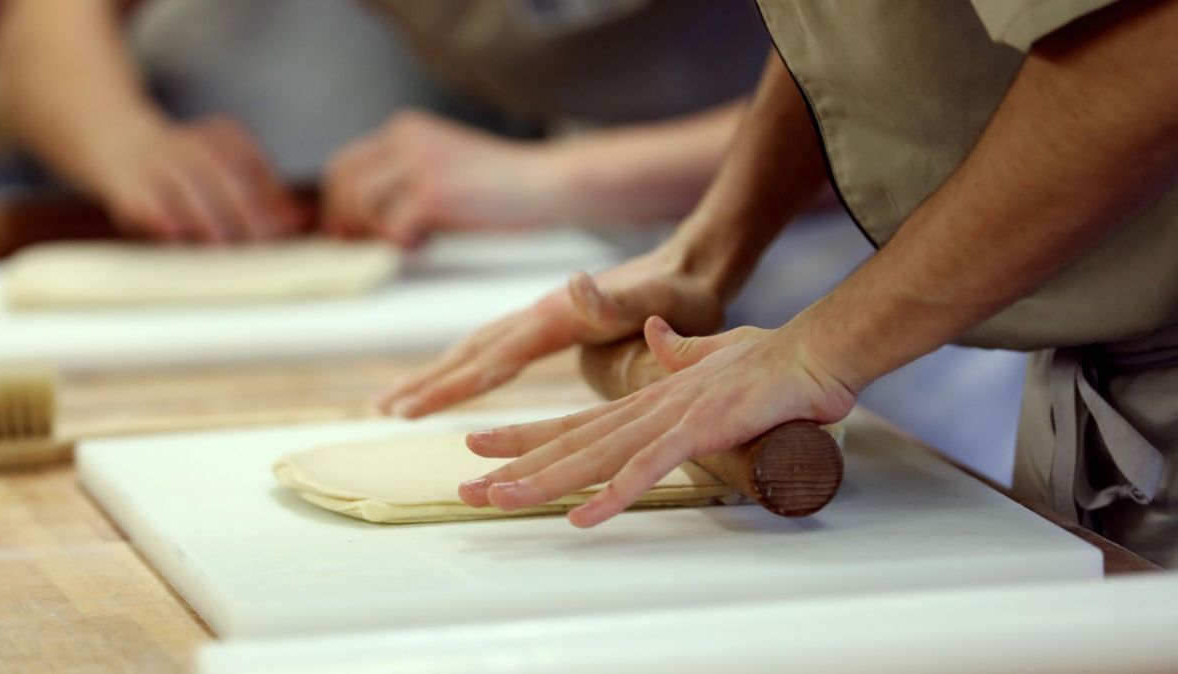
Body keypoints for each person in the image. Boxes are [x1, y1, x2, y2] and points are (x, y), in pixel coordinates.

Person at [380, 0, 1178, 568]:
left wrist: (821, 353)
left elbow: (1149, 48)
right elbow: (861, 29)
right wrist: (705, 255)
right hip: (1097, 374)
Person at [0, 0, 769, 247]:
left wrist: (548, 179)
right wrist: (124, 141)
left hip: (833, 231)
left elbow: (878, 112)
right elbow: (48, 17)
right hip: (589, 230)